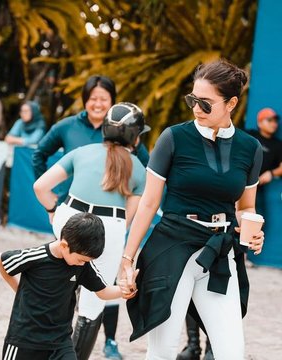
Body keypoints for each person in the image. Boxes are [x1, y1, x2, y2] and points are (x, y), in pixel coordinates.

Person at [120, 59, 264, 359]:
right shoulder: (173, 138)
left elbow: (245, 206)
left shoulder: (250, 148)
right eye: (192, 99)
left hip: (220, 252)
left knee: (231, 352)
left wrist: (251, 230)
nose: (196, 108)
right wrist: (127, 257)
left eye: (206, 103)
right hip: (172, 247)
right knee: (163, 349)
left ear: (231, 103)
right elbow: (148, 202)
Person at [33, 102, 148, 360]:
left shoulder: (83, 152)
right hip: (110, 227)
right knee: (93, 303)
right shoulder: (138, 168)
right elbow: (129, 218)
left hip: (70, 218)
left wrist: (54, 211)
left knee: (59, 282)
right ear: (134, 136)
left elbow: (40, 187)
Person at [0, 212, 128, 360]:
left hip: (60, 342)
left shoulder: (82, 264)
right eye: (80, 259)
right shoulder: (35, 257)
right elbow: (0, 260)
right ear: (64, 245)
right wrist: (19, 290)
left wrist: (125, 289)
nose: (82, 263)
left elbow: (103, 291)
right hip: (24, 341)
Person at [247, 108, 282, 215]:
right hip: (237, 183)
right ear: (260, 123)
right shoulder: (250, 135)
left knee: (258, 220)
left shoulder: (278, 145)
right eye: (269, 120)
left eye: (275, 121)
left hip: (257, 189)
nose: (274, 123)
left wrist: (271, 173)